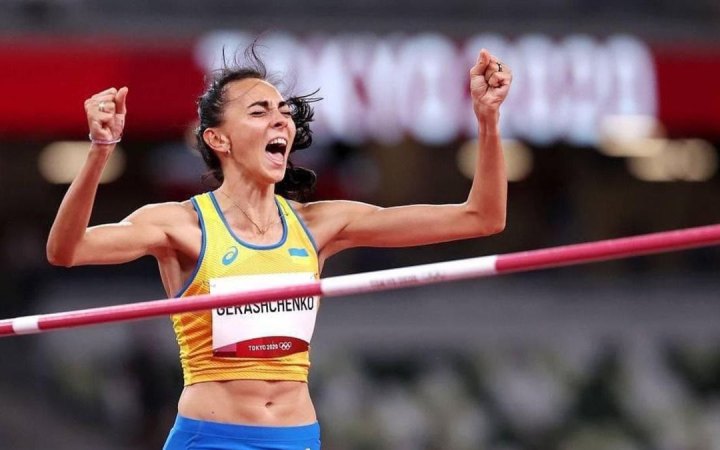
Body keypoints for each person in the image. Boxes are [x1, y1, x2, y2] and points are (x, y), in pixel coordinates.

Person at [46, 46, 512, 450]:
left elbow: (481, 217)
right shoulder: (181, 225)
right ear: (218, 138)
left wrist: (488, 121)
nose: (280, 120)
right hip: (211, 438)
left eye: (283, 111)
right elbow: (67, 250)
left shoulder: (319, 224)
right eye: (258, 111)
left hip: (295, 437)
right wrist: (100, 150)